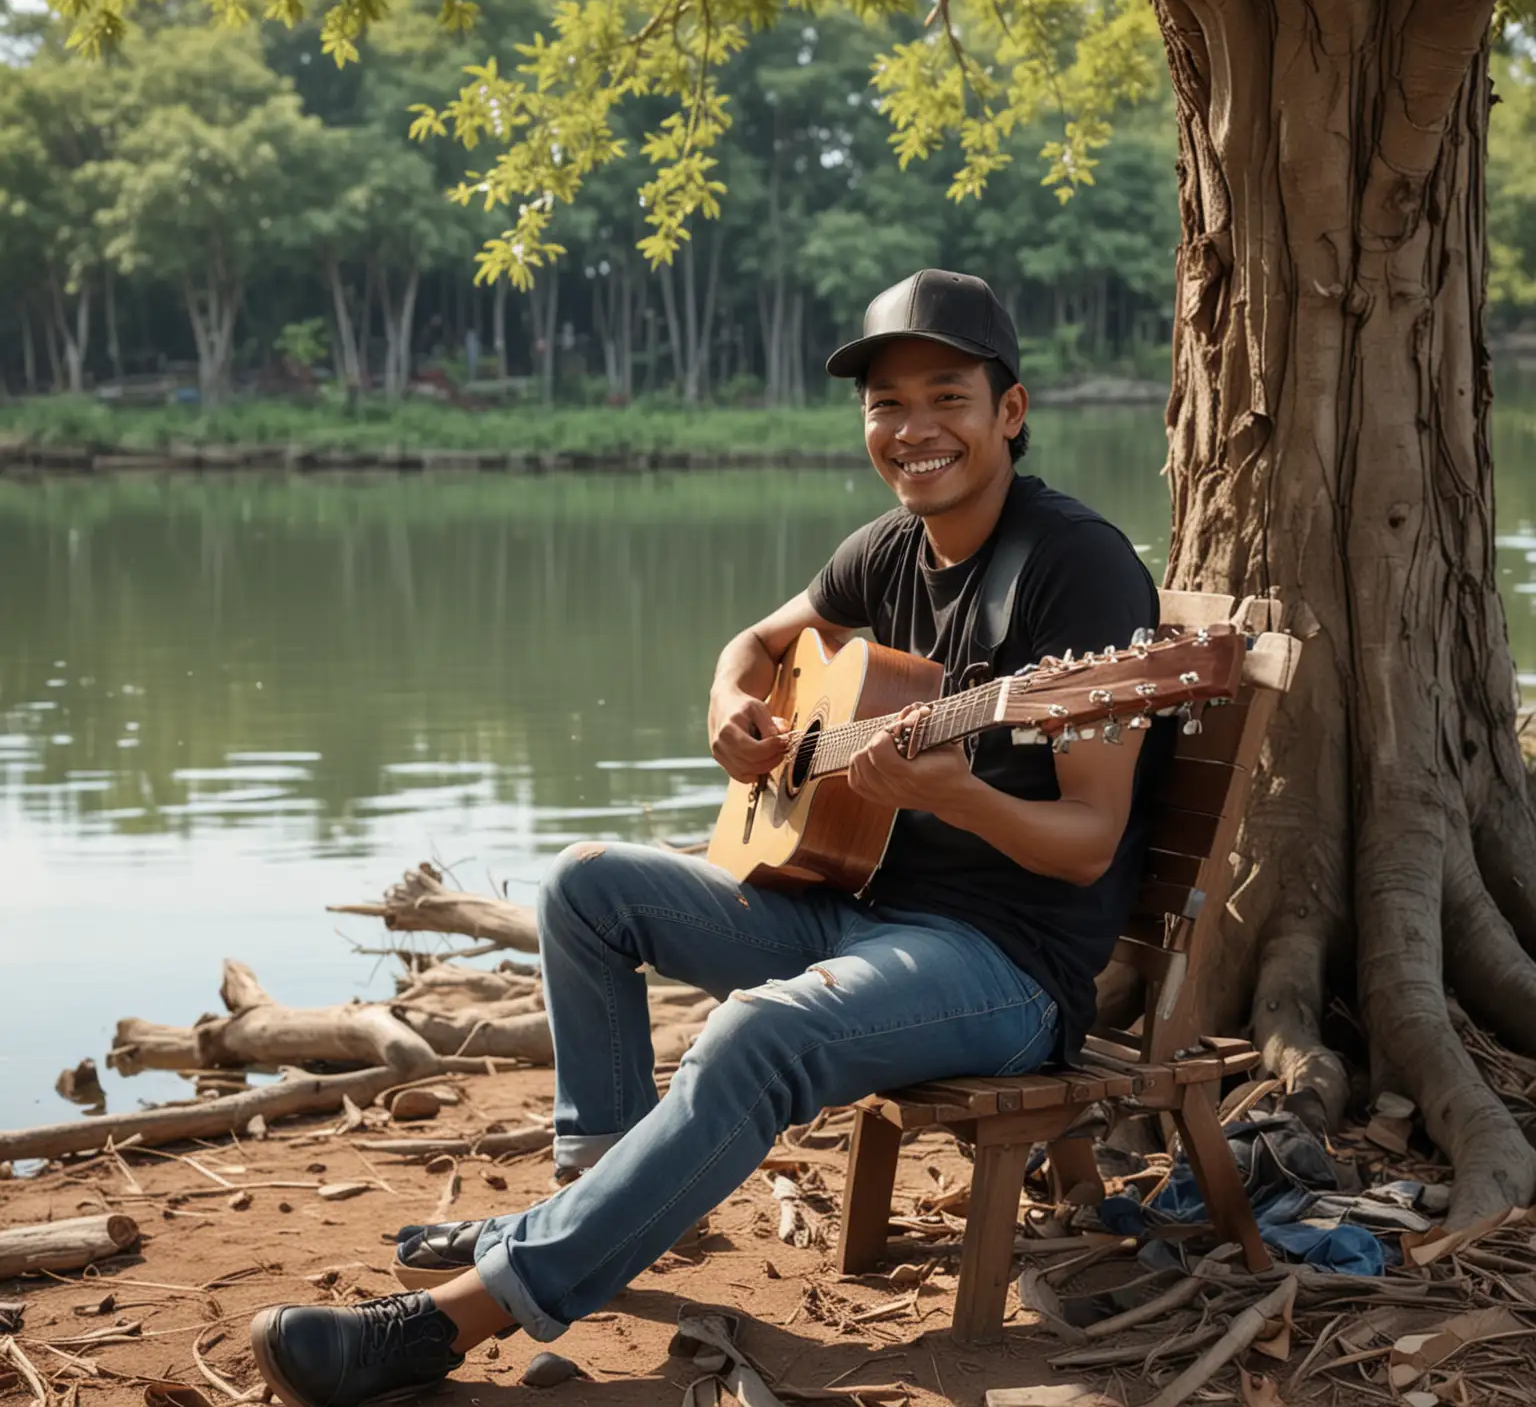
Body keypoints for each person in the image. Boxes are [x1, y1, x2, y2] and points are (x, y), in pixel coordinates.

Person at [248, 269, 1163, 1407]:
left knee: (757, 1034)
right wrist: (729, 707)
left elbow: (1086, 844)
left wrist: (954, 795)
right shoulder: (886, 549)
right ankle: (593, 1195)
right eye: (886, 403)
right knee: (585, 887)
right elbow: (756, 644)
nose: (914, 429)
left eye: (946, 397)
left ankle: (451, 1324)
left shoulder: (1079, 569)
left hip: (1005, 966)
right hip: (856, 904)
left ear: (1009, 413)